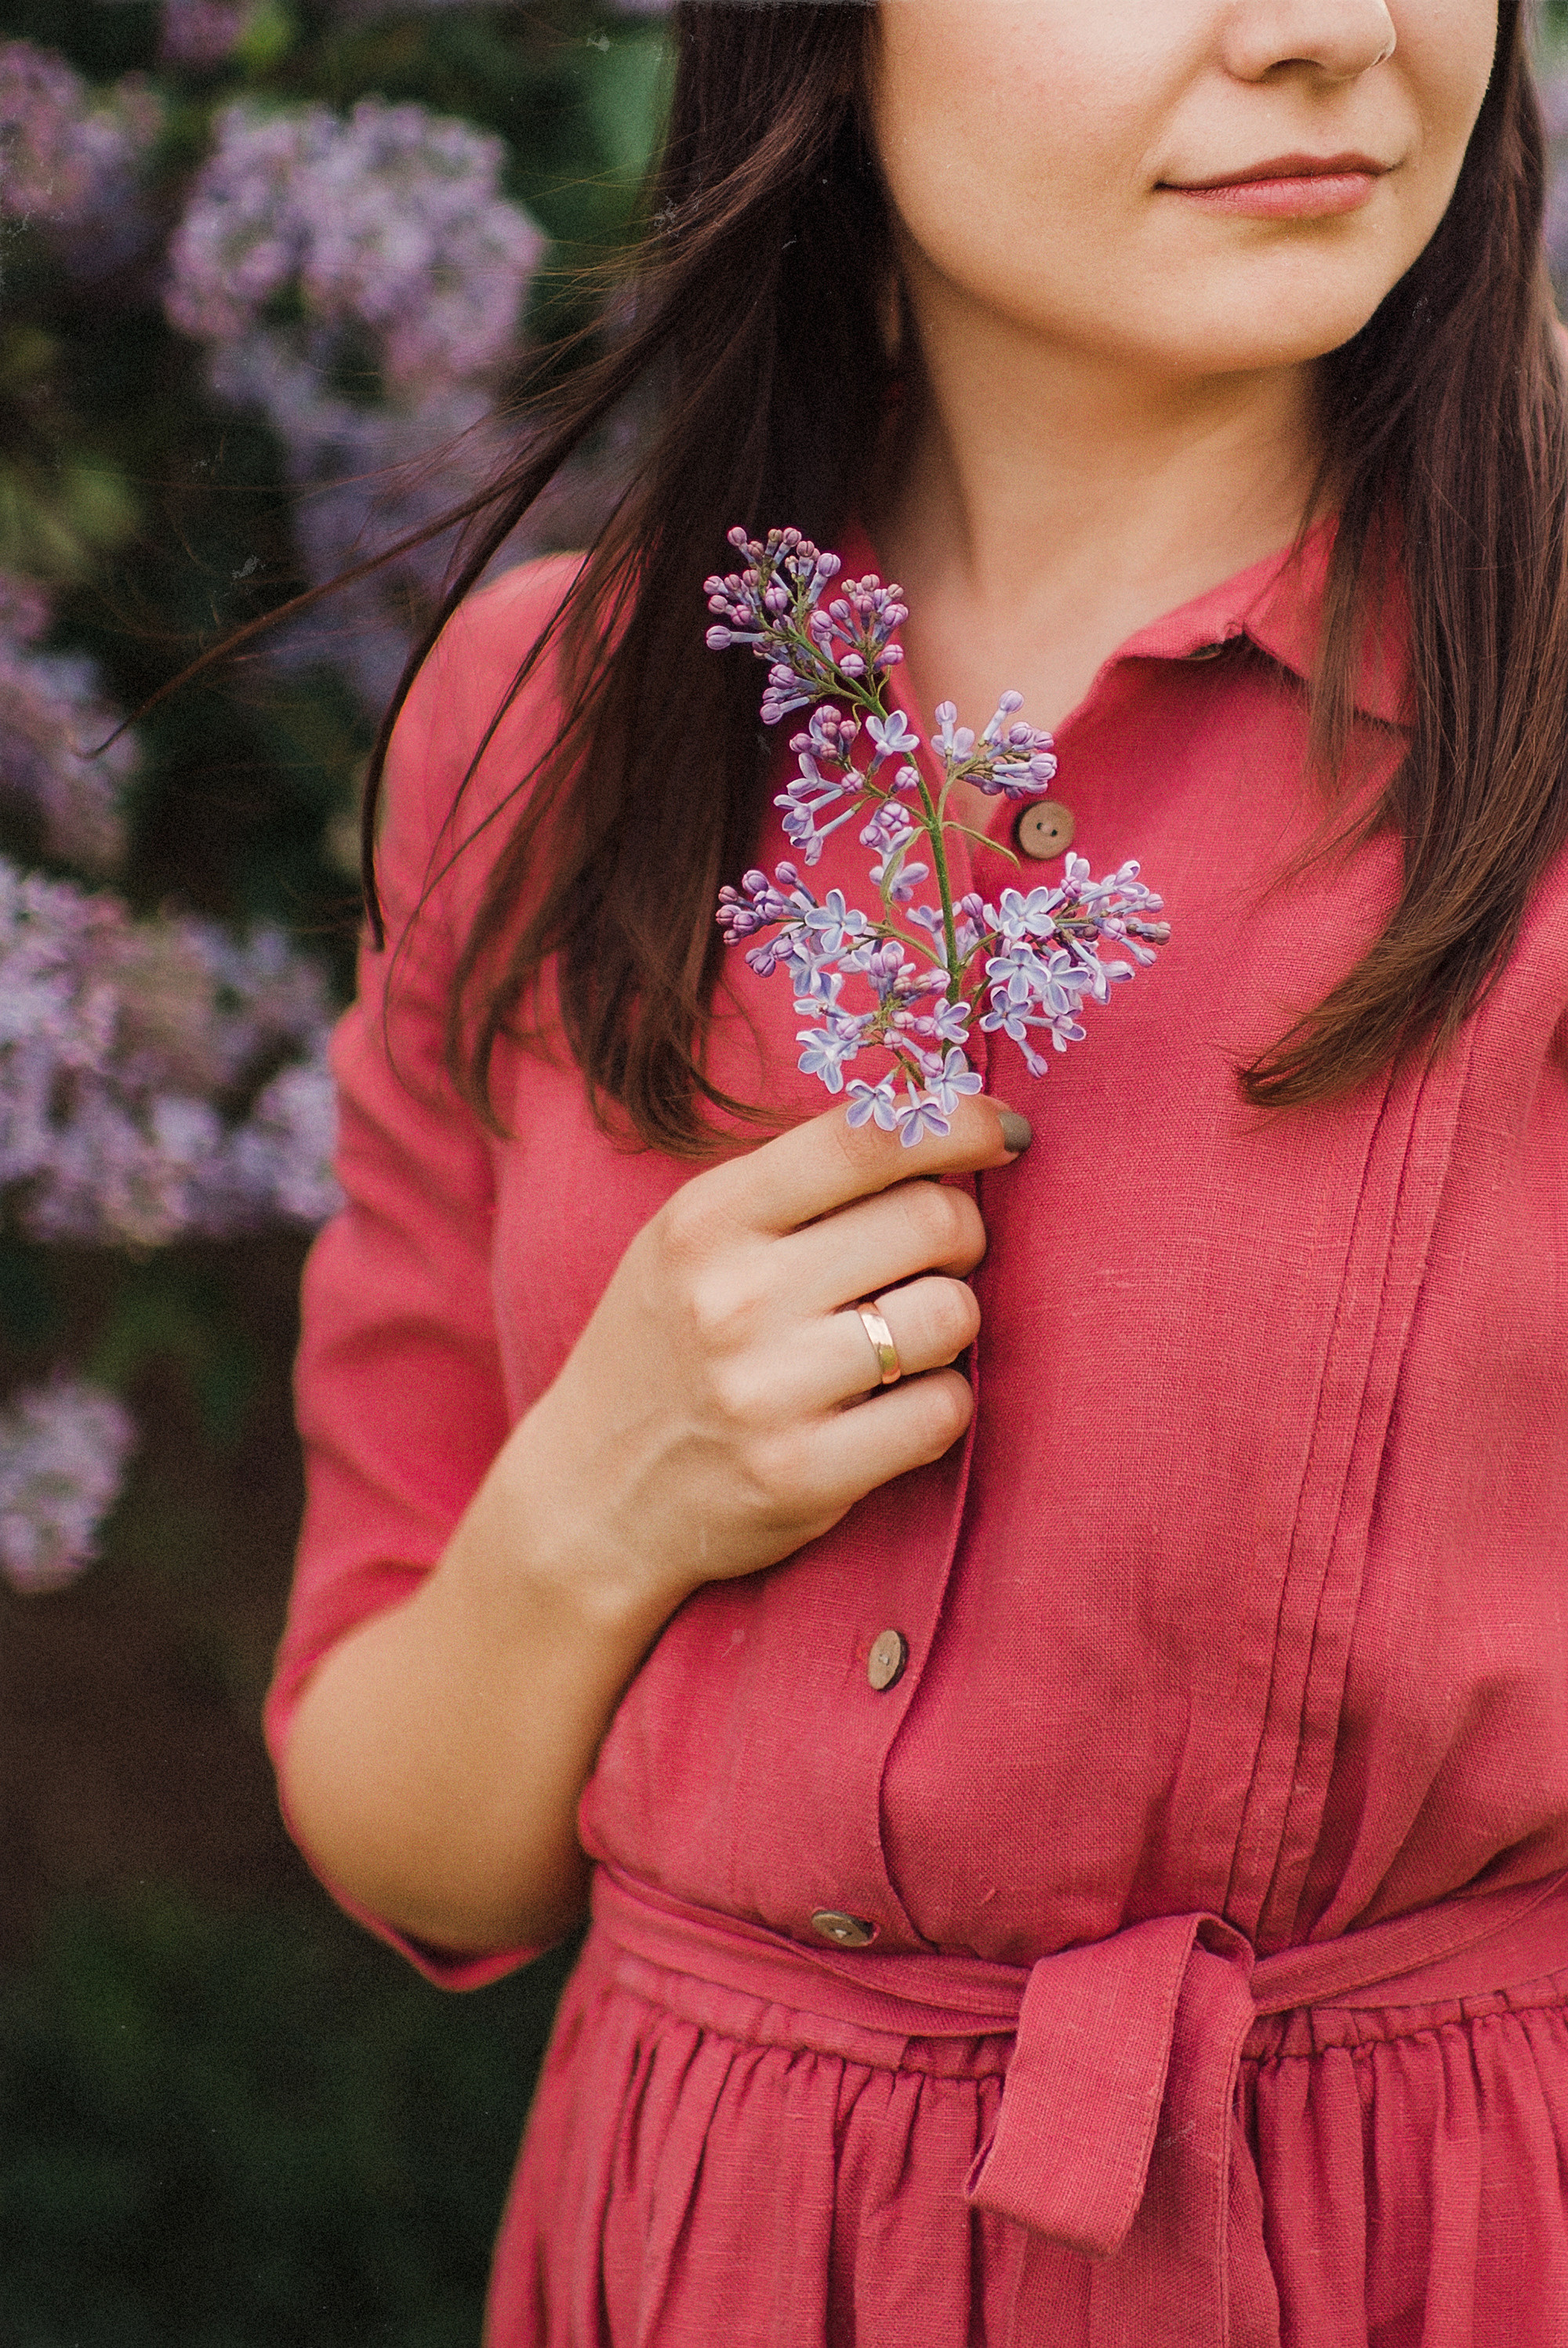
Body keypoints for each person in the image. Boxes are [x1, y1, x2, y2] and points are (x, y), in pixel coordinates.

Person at [264, 2, 1568, 2341]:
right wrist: (603, 1498)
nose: (1330, 36)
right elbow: (397, 1820)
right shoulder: (534, 734)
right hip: (710, 2259)